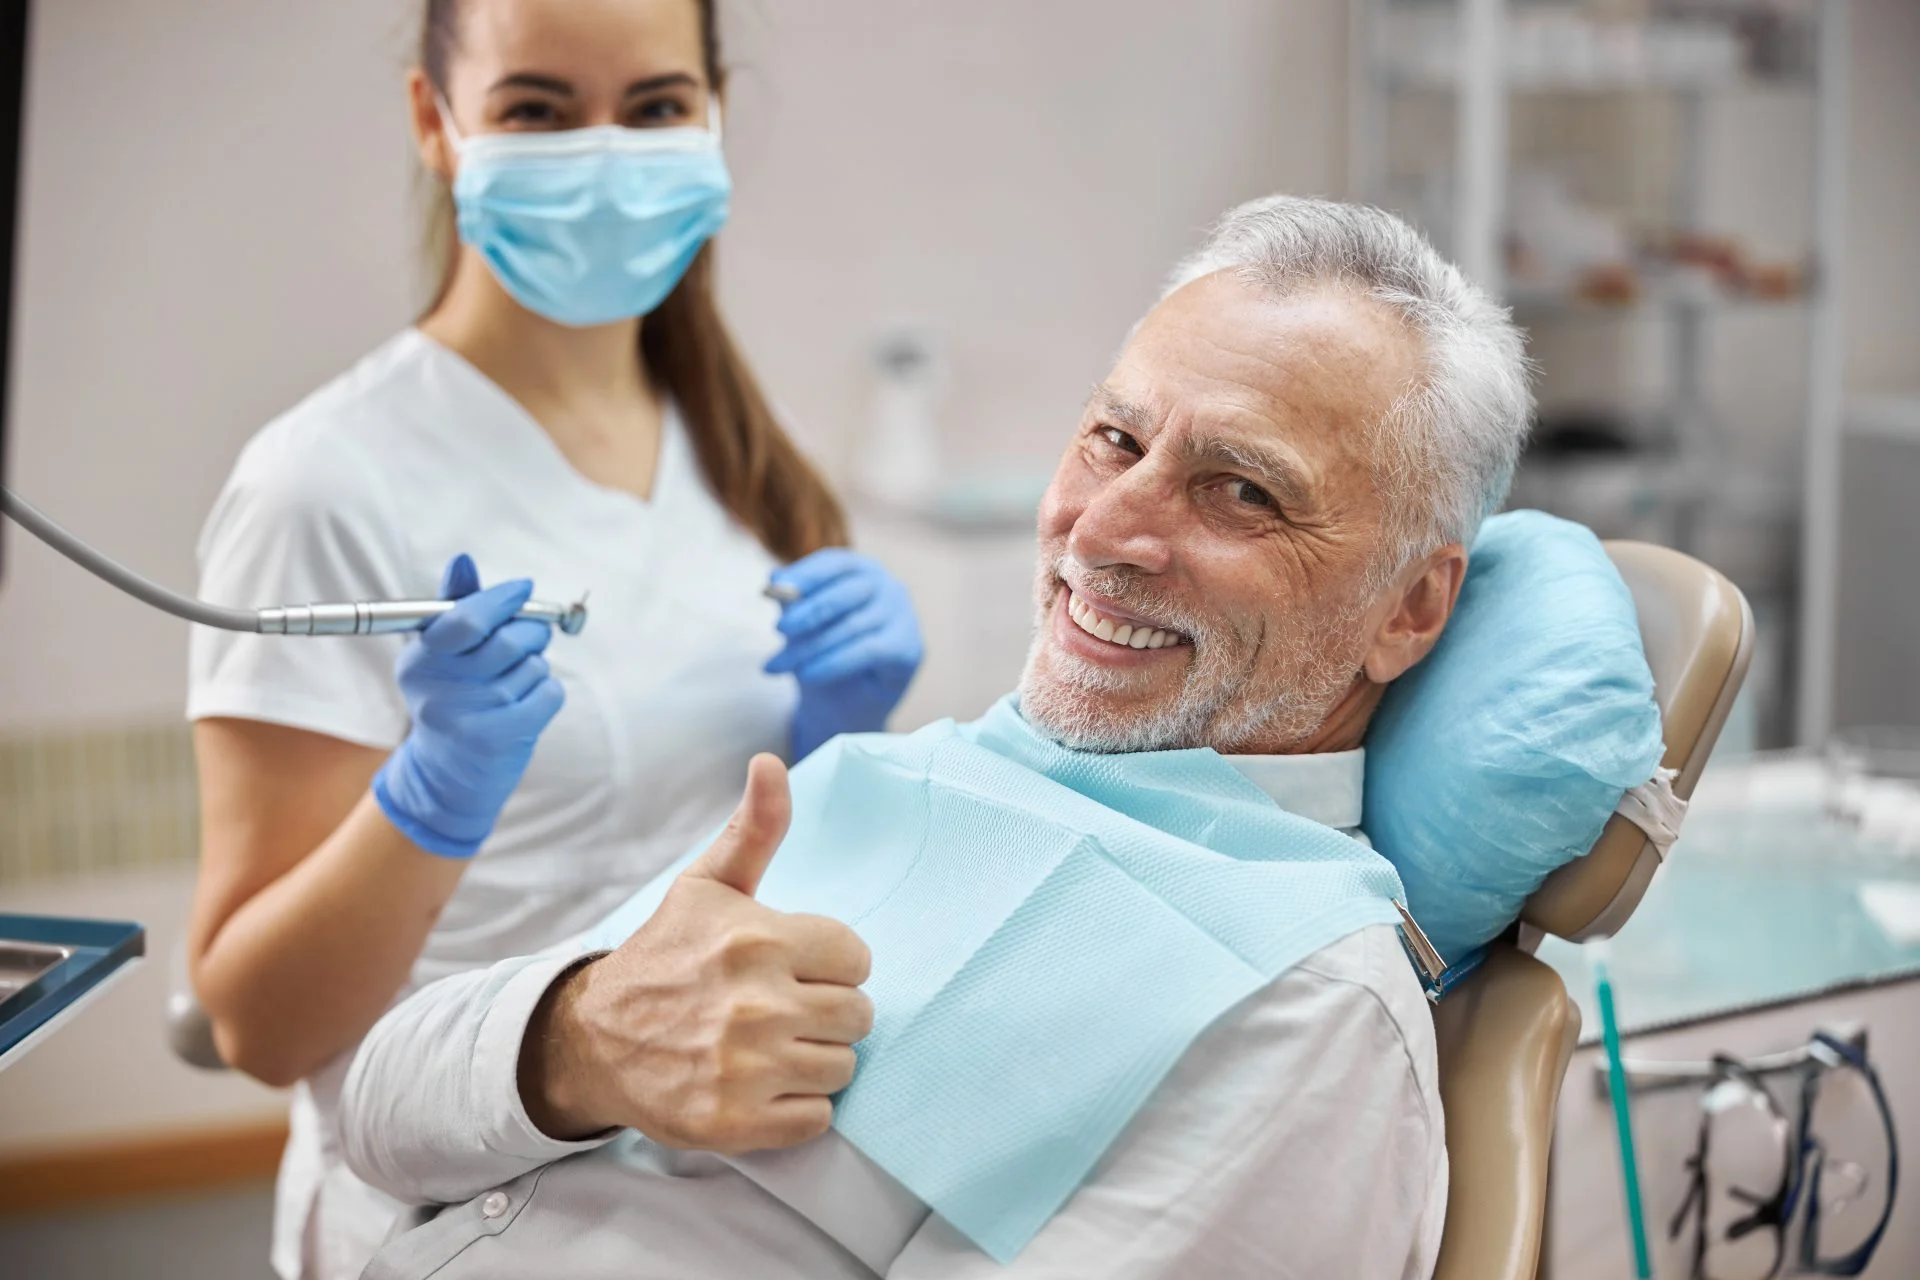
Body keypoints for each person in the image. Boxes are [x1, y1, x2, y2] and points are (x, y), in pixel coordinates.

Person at [336, 196, 1534, 1279]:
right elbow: (379, 1114)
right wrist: (583, 1038)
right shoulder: (883, 776)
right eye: (1115, 440)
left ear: (1407, 608)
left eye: (1242, 491)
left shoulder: (1301, 1007)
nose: (1102, 529)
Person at [183, 2, 924, 1278]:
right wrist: (430, 796)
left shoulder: (745, 457)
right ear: (436, 121)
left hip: (719, 1142)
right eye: (536, 108)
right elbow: (255, 1018)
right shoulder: (318, 484)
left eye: (653, 109)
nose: (603, 154)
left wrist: (841, 744)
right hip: (456, 1174)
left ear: (714, 114)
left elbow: (765, 853)